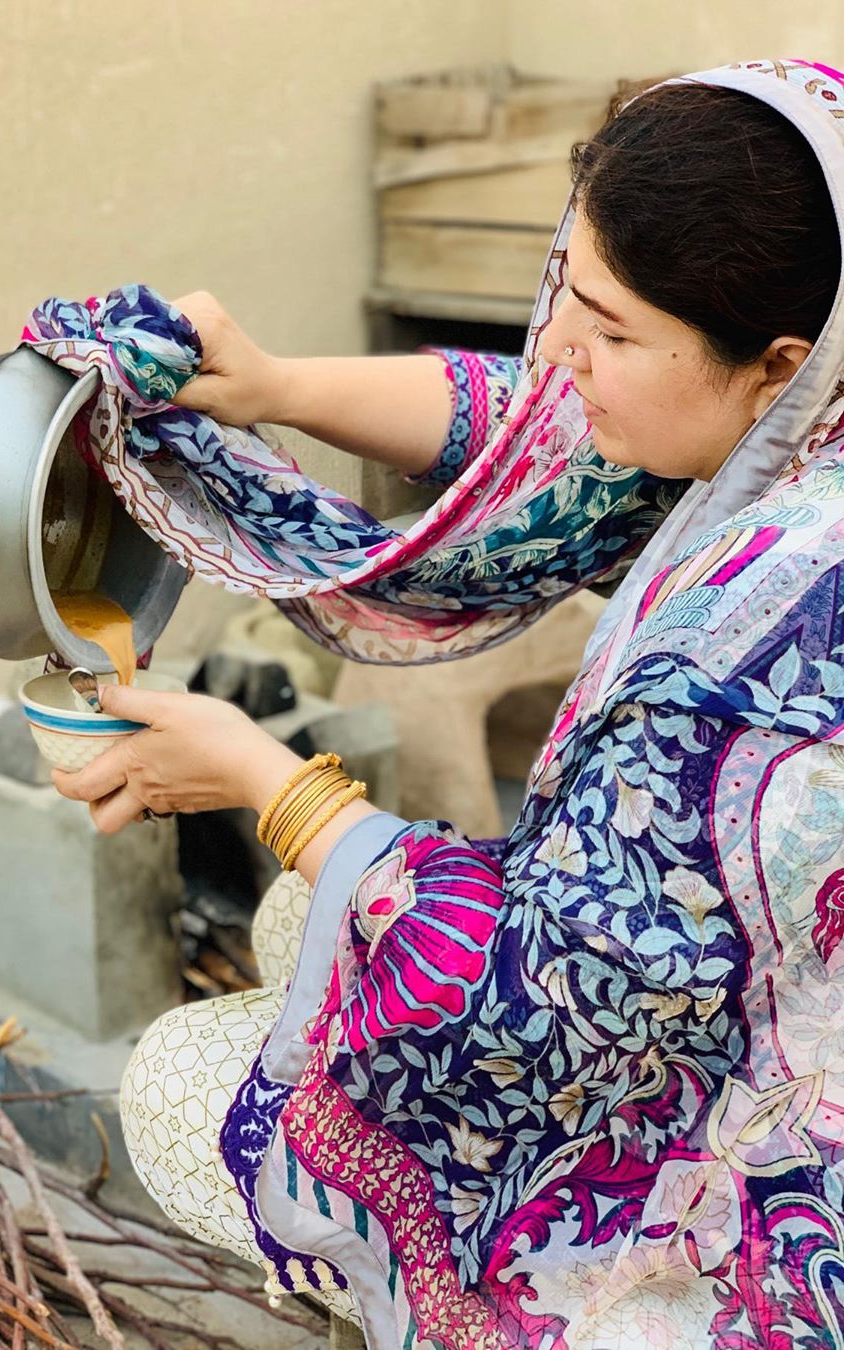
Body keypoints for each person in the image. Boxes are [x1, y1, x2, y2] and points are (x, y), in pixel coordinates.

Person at [49, 59, 844, 1349]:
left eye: (611, 332)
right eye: (564, 299)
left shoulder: (775, 634)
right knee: (312, 919)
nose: (562, 358)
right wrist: (269, 386)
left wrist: (267, 780)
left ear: (776, 364)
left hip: (765, 1175)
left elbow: (536, 1006)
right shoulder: (798, 402)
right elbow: (540, 432)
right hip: (706, 987)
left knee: (174, 1083)